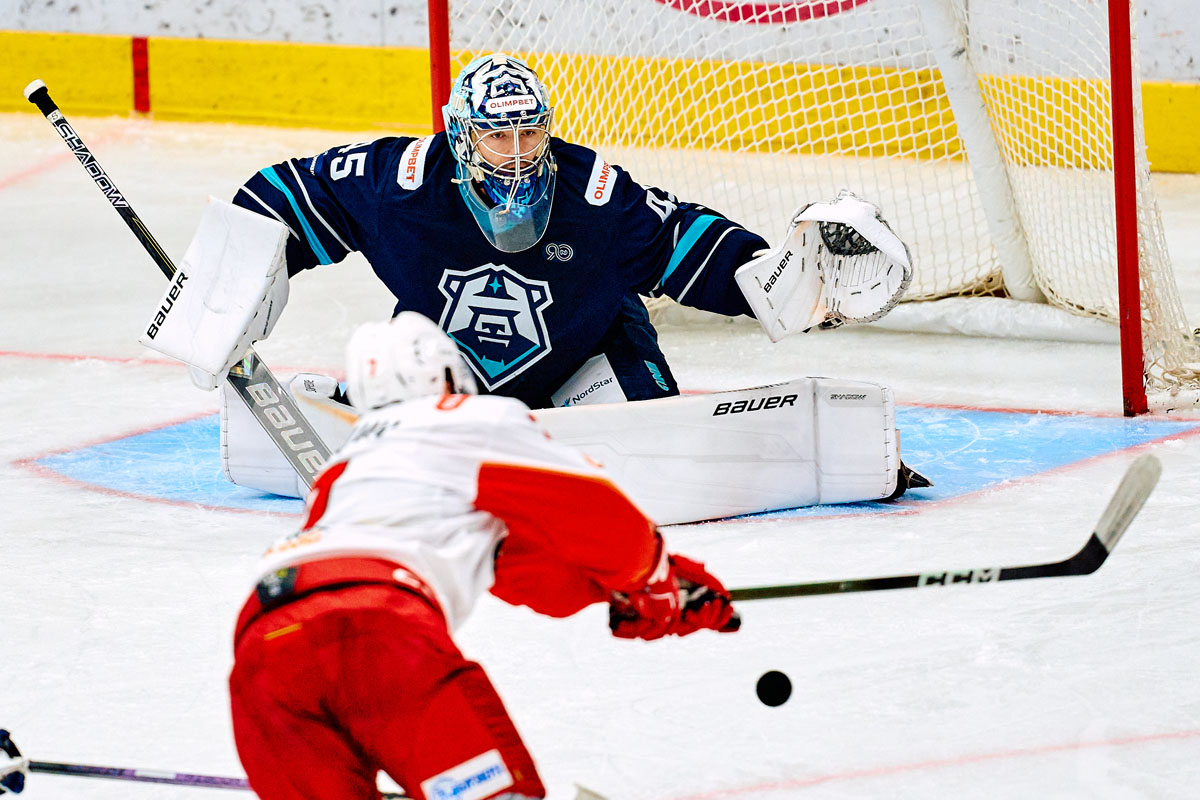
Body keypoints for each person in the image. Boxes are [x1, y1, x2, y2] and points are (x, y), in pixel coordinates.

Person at [140, 52, 924, 517]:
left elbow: (686, 241)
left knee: (639, 435)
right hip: (450, 381)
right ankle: (356, 409)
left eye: (530, 132)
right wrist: (223, 290)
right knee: (404, 384)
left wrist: (776, 279)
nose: (517, 153)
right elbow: (286, 193)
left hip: (585, 367)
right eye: (497, 135)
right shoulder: (398, 185)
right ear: (460, 136)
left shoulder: (595, 195)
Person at [228, 312, 739, 800]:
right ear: (449, 372)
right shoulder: (471, 420)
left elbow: (527, 574)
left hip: (262, 647)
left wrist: (617, 595)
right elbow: (596, 512)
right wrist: (655, 583)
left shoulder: (342, 469)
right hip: (376, 628)